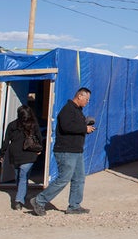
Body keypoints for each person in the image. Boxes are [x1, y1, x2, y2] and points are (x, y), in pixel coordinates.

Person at [30, 87, 95, 215]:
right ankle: (39, 200)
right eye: (86, 99)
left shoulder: (78, 111)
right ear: (80, 96)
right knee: (63, 178)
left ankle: (74, 205)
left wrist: (86, 123)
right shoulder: (68, 110)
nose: (87, 102)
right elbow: (66, 126)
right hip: (66, 151)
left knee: (79, 178)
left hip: (77, 151)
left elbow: (75, 125)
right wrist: (84, 128)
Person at [0, 105, 43, 210]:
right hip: (29, 154)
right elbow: (39, 138)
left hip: (15, 155)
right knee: (23, 177)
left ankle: (20, 197)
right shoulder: (33, 125)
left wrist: (1, 154)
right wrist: (39, 150)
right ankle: (19, 199)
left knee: (20, 176)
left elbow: (6, 142)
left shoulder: (12, 125)